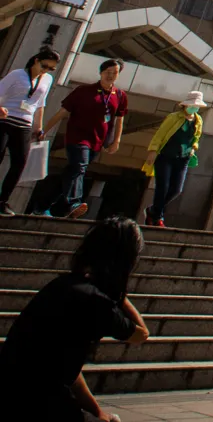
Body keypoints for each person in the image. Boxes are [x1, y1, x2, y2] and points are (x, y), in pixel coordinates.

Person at [0, 215, 150, 420]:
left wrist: (98, 412)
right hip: (35, 402)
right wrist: (120, 295)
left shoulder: (64, 285)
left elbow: (67, 367)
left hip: (14, 390)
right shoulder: (96, 302)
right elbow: (141, 334)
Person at [36, 58, 127, 219]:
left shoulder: (120, 95)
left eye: (115, 73)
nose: (110, 75)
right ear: (101, 72)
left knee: (71, 173)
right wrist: (44, 129)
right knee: (79, 167)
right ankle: (74, 202)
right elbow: (63, 112)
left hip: (97, 141)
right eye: (107, 72)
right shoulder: (83, 91)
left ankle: (42, 206)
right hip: (77, 138)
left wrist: (116, 140)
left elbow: (120, 119)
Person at [0, 49, 60, 216]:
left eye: (51, 68)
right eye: (44, 66)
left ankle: (2, 201)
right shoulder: (17, 75)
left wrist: (39, 128)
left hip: (25, 124)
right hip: (5, 121)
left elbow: (40, 104)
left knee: (19, 163)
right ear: (36, 60)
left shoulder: (47, 79)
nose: (46, 70)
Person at [142, 90, 206, 227]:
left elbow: (196, 137)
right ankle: (158, 216)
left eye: (197, 106)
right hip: (165, 155)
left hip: (183, 158)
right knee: (162, 187)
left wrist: (193, 148)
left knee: (176, 189)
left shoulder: (198, 120)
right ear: (185, 105)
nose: (194, 108)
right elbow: (160, 134)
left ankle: (153, 210)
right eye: (192, 105)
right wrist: (153, 150)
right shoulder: (174, 117)